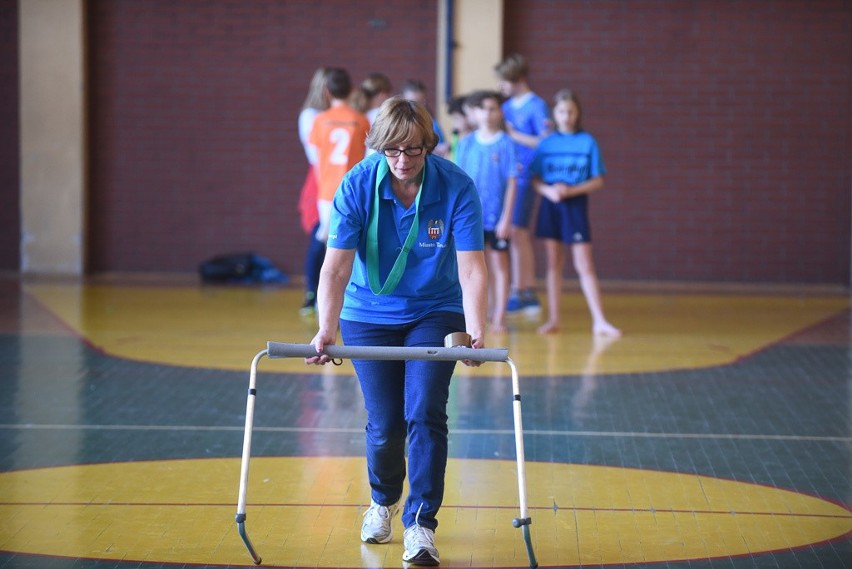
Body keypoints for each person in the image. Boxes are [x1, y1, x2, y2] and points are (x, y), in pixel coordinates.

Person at [305, 96, 488, 566]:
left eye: (412, 151)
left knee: (425, 411)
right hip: (367, 313)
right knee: (384, 422)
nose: (402, 162)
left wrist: (477, 330)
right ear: (379, 149)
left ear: (429, 146)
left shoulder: (456, 186)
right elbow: (335, 269)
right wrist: (326, 328)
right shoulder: (358, 184)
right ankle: (382, 500)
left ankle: (421, 524)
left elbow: (471, 270)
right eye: (391, 152)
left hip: (436, 309)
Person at [530, 88, 621, 337]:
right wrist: (549, 191)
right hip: (550, 205)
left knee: (584, 263)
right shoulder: (546, 143)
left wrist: (570, 191)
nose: (566, 115)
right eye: (561, 111)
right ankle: (554, 319)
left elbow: (598, 180)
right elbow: (535, 179)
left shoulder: (587, 142)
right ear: (554, 114)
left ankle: (599, 320)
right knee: (553, 263)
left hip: (575, 206)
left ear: (577, 113)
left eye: (571, 111)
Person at [454, 90, 516, 333]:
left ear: (499, 112)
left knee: (499, 265)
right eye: (484, 109)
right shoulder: (467, 143)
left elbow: (512, 182)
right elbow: (457, 178)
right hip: (470, 218)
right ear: (475, 113)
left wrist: (507, 217)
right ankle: (476, 314)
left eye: (493, 109)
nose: (488, 114)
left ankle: (500, 315)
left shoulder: (506, 143)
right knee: (471, 267)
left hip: (496, 217)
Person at [494, 53, 552, 314]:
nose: (501, 87)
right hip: (509, 174)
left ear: (517, 79)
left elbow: (546, 141)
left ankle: (524, 289)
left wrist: (516, 135)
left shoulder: (536, 106)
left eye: (504, 81)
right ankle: (521, 288)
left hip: (527, 174)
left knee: (519, 231)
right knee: (514, 232)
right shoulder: (505, 107)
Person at [309, 66, 371, 243]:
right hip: (354, 188)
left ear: (326, 92)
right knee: (354, 240)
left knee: (331, 243)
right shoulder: (361, 120)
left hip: (327, 189)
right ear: (351, 90)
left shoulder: (319, 120)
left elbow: (315, 158)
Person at [297, 67, 330, 315]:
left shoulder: (340, 114)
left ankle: (325, 295)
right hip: (321, 181)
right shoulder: (311, 115)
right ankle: (311, 292)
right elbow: (316, 157)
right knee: (319, 236)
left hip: (334, 179)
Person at [401, 79, 449, 157]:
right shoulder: (394, 124)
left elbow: (441, 153)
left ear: (424, 102)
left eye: (419, 102)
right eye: (410, 102)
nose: (414, 107)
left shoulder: (433, 125)